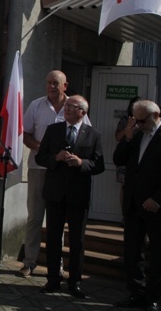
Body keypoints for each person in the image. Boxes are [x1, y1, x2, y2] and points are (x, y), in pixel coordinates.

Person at [113, 100, 161, 311]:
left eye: (142, 120)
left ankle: (153, 296)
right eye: (134, 120)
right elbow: (118, 159)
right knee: (132, 252)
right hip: (134, 205)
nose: (138, 124)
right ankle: (136, 292)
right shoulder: (136, 135)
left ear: (155, 115)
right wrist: (127, 137)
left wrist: (158, 199)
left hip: (159, 207)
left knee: (158, 253)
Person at [19, 70, 90, 277]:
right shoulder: (36, 105)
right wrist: (45, 151)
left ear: (64, 86)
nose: (51, 86)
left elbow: (86, 136)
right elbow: (26, 133)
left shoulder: (75, 105)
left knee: (55, 220)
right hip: (39, 168)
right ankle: (29, 262)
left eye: (55, 83)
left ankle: (55, 265)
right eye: (48, 82)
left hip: (63, 173)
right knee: (34, 217)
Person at [35, 95, 105, 298]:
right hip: (55, 192)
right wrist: (55, 158)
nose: (66, 109)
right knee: (54, 237)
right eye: (66, 106)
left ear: (82, 112)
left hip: (78, 194)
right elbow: (40, 156)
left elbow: (99, 165)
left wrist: (82, 163)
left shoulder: (94, 134)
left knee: (77, 240)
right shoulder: (53, 129)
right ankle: (53, 279)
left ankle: (74, 282)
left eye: (72, 107)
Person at [114, 96, 142, 205]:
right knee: (124, 187)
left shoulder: (144, 120)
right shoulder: (125, 119)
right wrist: (128, 128)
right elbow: (117, 137)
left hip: (139, 156)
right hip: (125, 156)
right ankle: (124, 215)